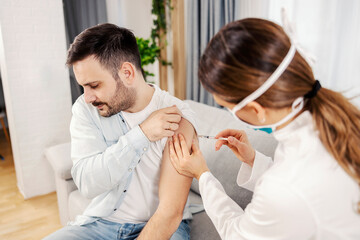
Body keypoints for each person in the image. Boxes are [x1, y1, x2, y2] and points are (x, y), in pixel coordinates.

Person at [169, 17, 360, 239]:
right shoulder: (328, 125)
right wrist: (252, 159)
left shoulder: (285, 183)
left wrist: (202, 175)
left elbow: (238, 234)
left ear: (256, 109)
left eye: (227, 106)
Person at [44, 23, 197, 240]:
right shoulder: (85, 110)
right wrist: (141, 135)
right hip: (102, 224)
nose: (87, 97)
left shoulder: (177, 116)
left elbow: (170, 212)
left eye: (94, 85)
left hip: (164, 226)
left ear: (127, 72)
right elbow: (87, 183)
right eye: (83, 87)